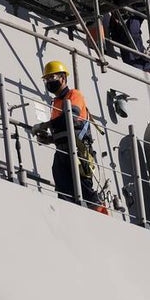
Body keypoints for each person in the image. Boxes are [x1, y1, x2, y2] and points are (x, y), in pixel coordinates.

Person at [30, 60, 107, 213]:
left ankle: (102, 216)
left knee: (85, 189)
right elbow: (62, 130)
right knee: (63, 186)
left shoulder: (74, 95)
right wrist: (49, 139)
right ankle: (69, 215)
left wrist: (45, 125)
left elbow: (71, 117)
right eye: (46, 79)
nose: (49, 82)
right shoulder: (56, 103)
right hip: (62, 151)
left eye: (52, 77)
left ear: (63, 78)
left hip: (78, 151)